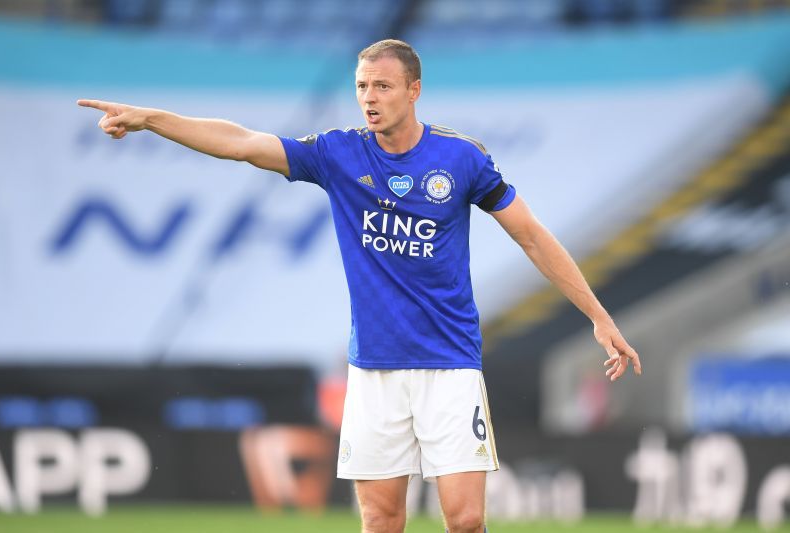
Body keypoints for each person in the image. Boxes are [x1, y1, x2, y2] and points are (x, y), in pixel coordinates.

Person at [79, 39, 641, 533]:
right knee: (380, 521)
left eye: (383, 86)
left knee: (466, 520)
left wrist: (599, 316)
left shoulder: (461, 159)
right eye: (362, 86)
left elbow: (534, 237)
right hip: (374, 368)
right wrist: (153, 119)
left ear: (414, 90)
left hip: (449, 364)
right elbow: (244, 143)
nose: (370, 98)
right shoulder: (338, 153)